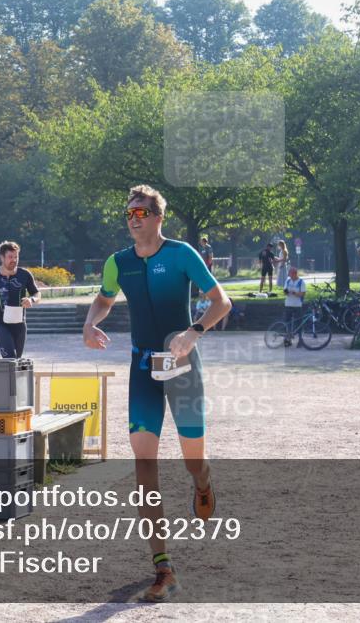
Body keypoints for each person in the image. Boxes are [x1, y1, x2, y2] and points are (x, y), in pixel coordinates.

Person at [82, 185, 231, 603]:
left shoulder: (182, 254)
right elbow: (104, 299)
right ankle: (163, 567)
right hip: (143, 366)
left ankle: (203, 482)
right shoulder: (118, 262)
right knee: (144, 462)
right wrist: (91, 323)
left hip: (180, 363)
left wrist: (193, 332)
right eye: (129, 212)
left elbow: (221, 301)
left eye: (141, 212)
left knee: (192, 459)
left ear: (158, 217)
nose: (133, 219)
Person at [0, 241, 41, 359]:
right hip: (0, 323)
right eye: (10, 257)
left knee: (17, 360)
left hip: (20, 324)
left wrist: (32, 300)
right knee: (10, 358)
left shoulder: (24, 275)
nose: (14, 260)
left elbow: (37, 293)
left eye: (16, 257)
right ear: (2, 257)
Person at [283, 266, 306, 346]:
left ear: (295, 274)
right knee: (287, 322)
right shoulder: (288, 280)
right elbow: (285, 290)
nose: (290, 276)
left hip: (297, 305)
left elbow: (302, 294)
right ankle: (288, 339)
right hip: (288, 304)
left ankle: (300, 340)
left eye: (291, 274)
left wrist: (294, 293)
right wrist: (286, 292)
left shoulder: (301, 282)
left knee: (298, 323)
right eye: (289, 274)